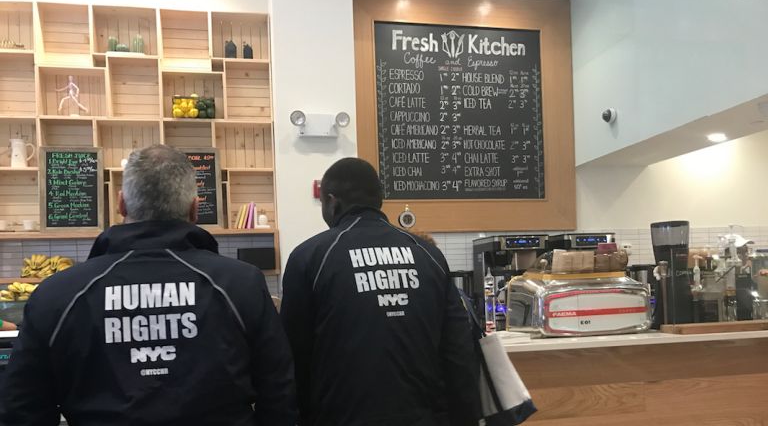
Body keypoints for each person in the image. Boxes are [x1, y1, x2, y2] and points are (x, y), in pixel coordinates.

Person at [0, 145, 296, 425]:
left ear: (121, 203)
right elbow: (279, 393)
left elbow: (21, 407)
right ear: (195, 209)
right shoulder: (241, 285)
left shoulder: (58, 294)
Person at [280, 157, 480, 426]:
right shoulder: (428, 254)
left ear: (331, 201)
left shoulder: (309, 257)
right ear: (379, 199)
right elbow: (458, 351)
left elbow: (294, 356)